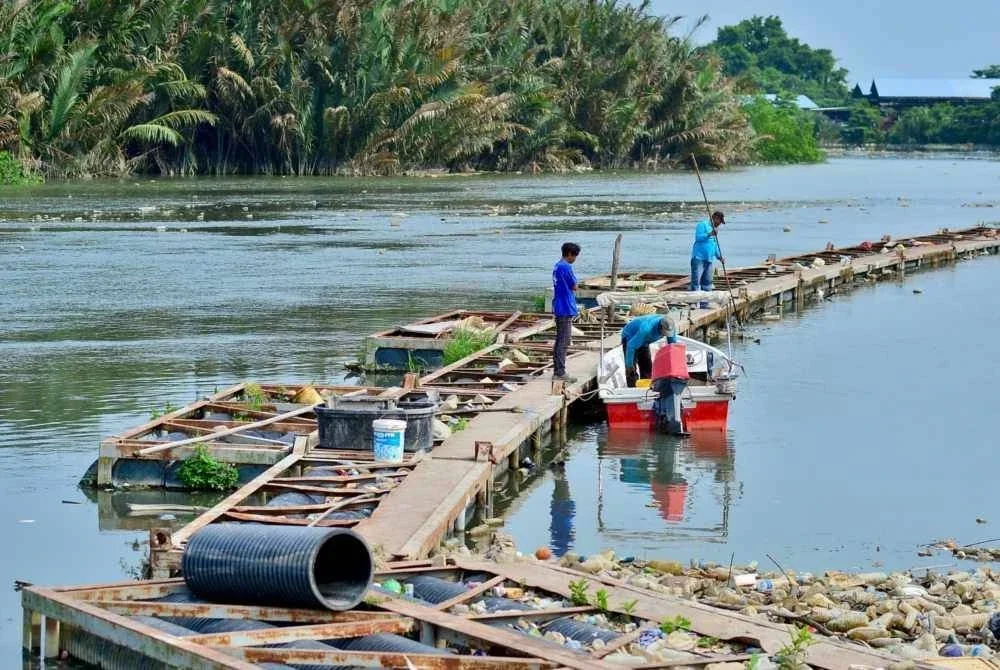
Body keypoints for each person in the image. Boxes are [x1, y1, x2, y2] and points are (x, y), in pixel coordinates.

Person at [620, 314, 677, 387]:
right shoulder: (646, 329)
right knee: (631, 370)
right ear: (660, 327)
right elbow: (631, 346)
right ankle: (632, 388)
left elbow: (672, 345)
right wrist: (629, 365)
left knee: (647, 367)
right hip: (630, 336)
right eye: (664, 333)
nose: (665, 335)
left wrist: (673, 363)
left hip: (645, 340)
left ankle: (646, 388)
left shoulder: (670, 327)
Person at [551, 242, 580, 382]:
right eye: (574, 256)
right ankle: (560, 372)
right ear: (569, 254)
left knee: (560, 340)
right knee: (563, 341)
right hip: (565, 307)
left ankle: (558, 370)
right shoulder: (566, 267)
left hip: (559, 305)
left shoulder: (557, 266)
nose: (575, 259)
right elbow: (574, 286)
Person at [691, 211, 725, 306]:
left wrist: (719, 257)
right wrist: (709, 234)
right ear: (714, 218)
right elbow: (698, 238)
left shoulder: (715, 230)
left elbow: (714, 245)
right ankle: (694, 304)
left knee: (707, 283)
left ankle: (704, 304)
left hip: (709, 260)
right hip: (699, 258)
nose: (719, 224)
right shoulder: (703, 225)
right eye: (719, 221)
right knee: (696, 282)